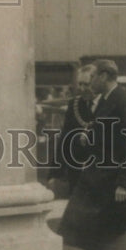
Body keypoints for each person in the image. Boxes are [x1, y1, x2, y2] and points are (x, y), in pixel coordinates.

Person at [58, 59, 126, 250]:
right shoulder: (107, 101)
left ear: (104, 76)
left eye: (93, 77)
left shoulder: (125, 103)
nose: (89, 82)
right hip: (100, 183)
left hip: (114, 185)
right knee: (99, 246)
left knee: (111, 248)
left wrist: (125, 184)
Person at [48, 64, 96, 196]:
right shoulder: (74, 104)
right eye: (80, 84)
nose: (82, 88)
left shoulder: (108, 104)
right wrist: (55, 172)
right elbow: (65, 137)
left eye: (86, 84)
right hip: (76, 171)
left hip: (99, 172)